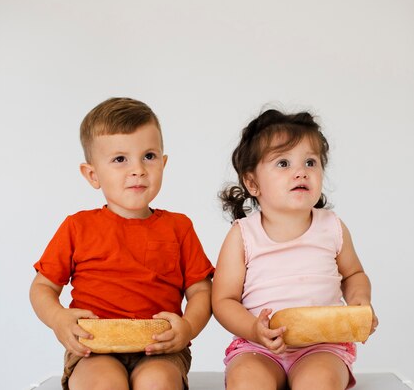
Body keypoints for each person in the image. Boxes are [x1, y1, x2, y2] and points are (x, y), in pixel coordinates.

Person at [30, 97, 213, 390]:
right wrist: (58, 319)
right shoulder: (77, 227)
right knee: (103, 384)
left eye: (149, 156)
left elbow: (202, 290)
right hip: (94, 348)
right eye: (120, 159)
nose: (138, 169)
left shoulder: (179, 226)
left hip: (160, 348)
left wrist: (188, 326)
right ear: (93, 175)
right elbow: (42, 287)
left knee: (157, 383)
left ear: (163, 163)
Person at [212, 109, 378, 390]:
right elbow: (223, 300)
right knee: (246, 382)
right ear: (252, 183)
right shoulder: (243, 235)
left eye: (310, 162)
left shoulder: (332, 227)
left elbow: (353, 275)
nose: (301, 171)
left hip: (322, 346)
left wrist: (359, 303)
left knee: (320, 382)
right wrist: (254, 329)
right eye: (284, 163)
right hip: (258, 346)